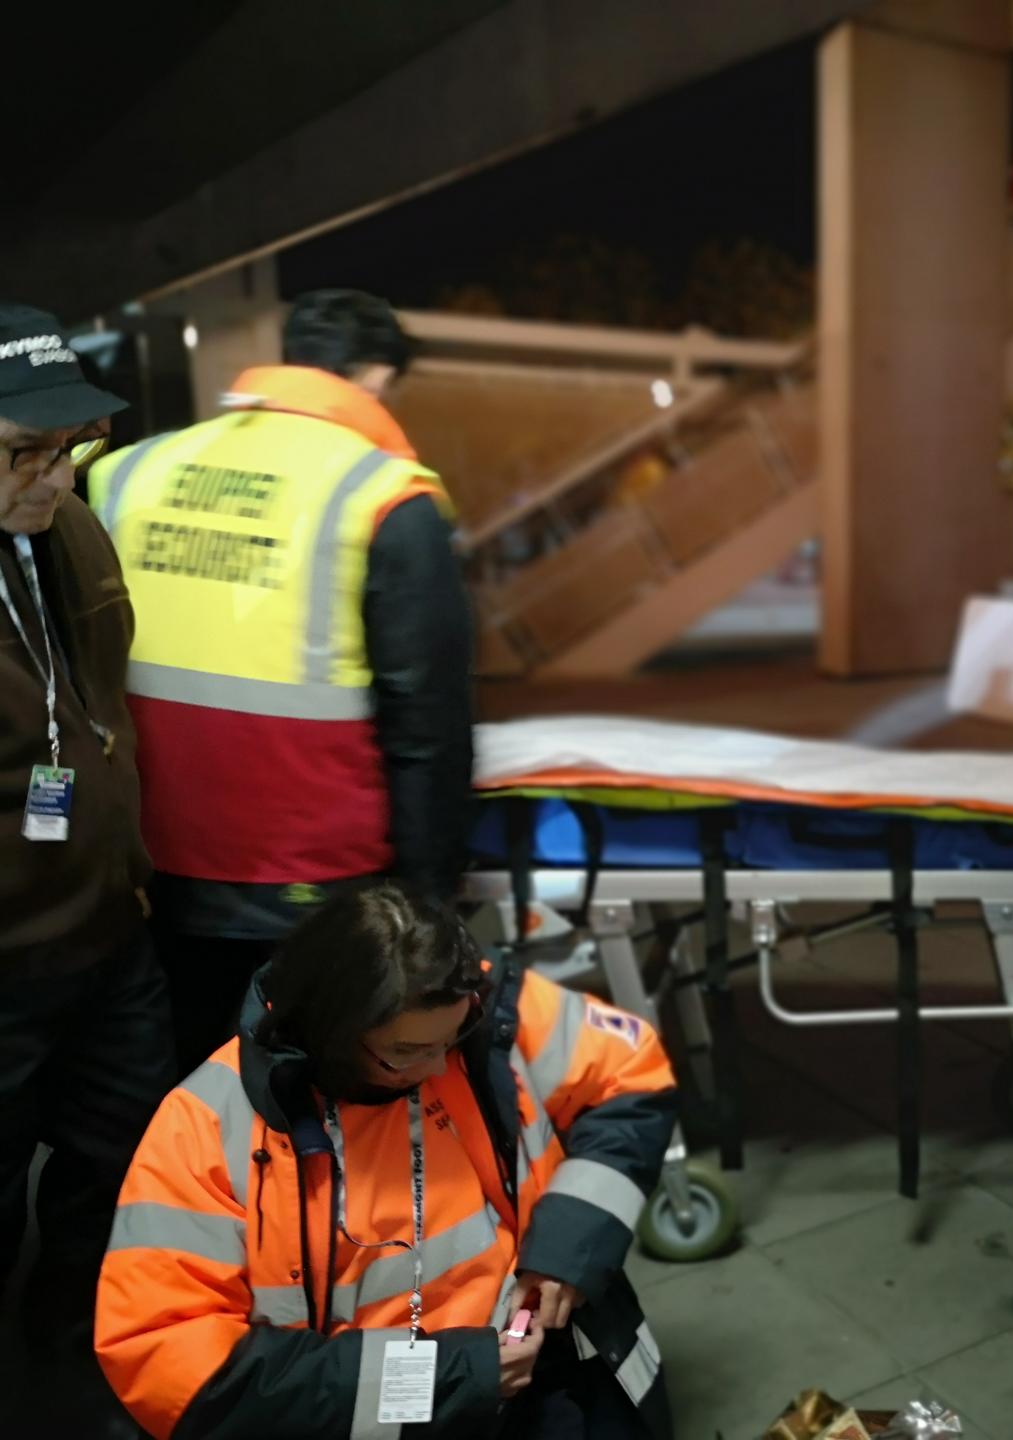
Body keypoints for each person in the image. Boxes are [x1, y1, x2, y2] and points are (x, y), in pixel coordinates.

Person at [97, 883, 680, 1438]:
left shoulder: (476, 1007)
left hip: (534, 1378)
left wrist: (568, 1248)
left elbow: (631, 1072)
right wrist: (450, 1376)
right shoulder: (205, 1126)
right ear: (331, 1033)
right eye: (405, 1053)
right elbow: (164, 1360)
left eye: (450, 1040)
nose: (435, 1069)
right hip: (370, 1418)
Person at [87, 289, 474, 1074]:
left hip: (144, 857)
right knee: (309, 1087)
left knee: (185, 1086)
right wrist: (431, 903)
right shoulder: (384, 496)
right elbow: (425, 722)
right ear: (372, 376)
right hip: (312, 869)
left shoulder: (128, 472)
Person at [0, 303, 176, 1436]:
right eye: (25, 451)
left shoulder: (70, 530)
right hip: (3, 970)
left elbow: (95, 708)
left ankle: (74, 1343)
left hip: (112, 935)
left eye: (70, 448)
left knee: (120, 1164)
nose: (55, 475)